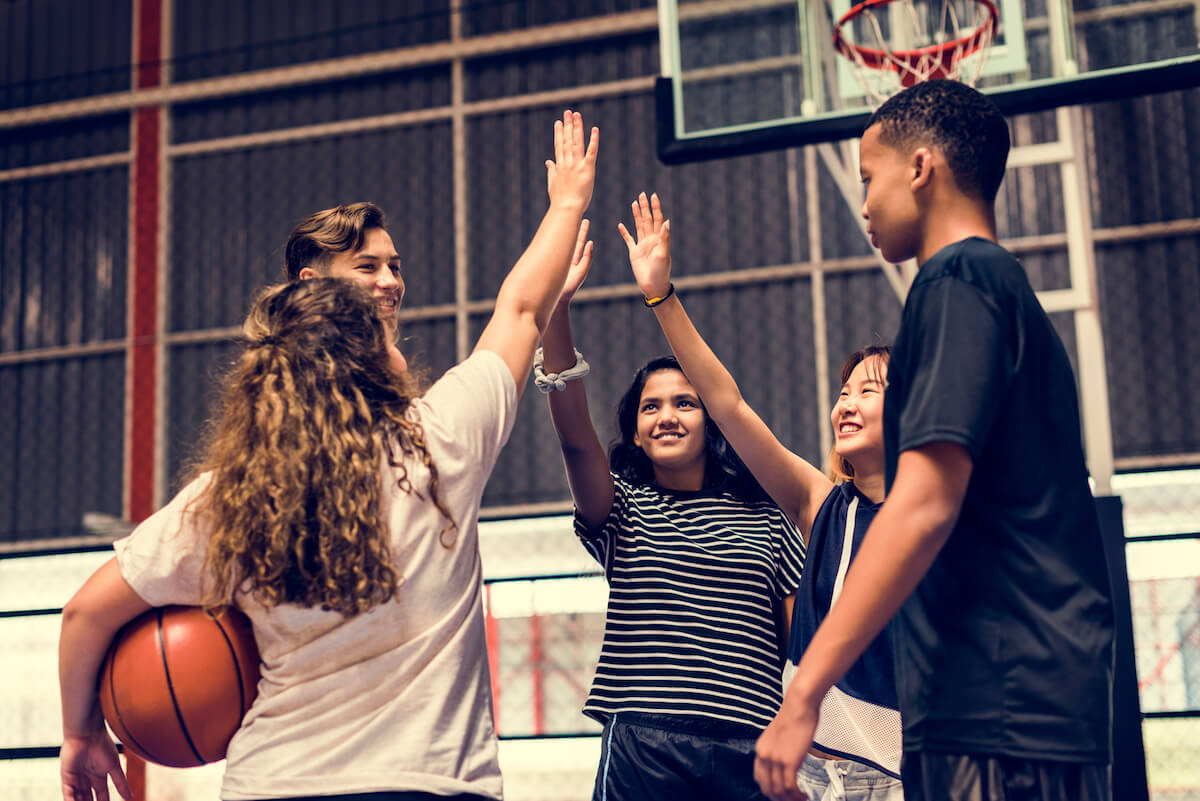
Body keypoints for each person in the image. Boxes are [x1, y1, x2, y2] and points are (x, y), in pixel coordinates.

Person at [58, 109, 599, 801]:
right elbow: (520, 310)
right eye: (369, 273)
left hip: (273, 781)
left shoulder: (233, 493)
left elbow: (84, 614)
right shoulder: (440, 442)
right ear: (374, 361)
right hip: (425, 782)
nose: (389, 291)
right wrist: (567, 205)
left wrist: (81, 734)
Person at [753, 80, 1115, 801]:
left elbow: (922, 503)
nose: (862, 203)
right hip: (1018, 700)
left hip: (999, 700)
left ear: (920, 168)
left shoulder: (957, 280)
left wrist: (804, 693)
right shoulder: (999, 291)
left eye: (868, 177)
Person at [620, 191, 902, 800]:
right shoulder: (821, 504)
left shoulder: (933, 522)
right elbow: (728, 403)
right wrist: (661, 296)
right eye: (844, 391)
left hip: (906, 760)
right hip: (812, 761)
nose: (846, 403)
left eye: (870, 391)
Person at [538, 212, 807, 801]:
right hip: (644, 746)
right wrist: (555, 310)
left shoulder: (767, 518)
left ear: (710, 422)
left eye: (685, 403)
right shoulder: (623, 510)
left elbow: (804, 642)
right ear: (635, 432)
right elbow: (575, 434)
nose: (667, 416)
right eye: (650, 407)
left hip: (752, 746)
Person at [283, 201, 410, 376]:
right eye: (367, 266)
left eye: (394, 268)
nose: (391, 282)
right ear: (312, 284)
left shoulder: (390, 361)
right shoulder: (285, 369)